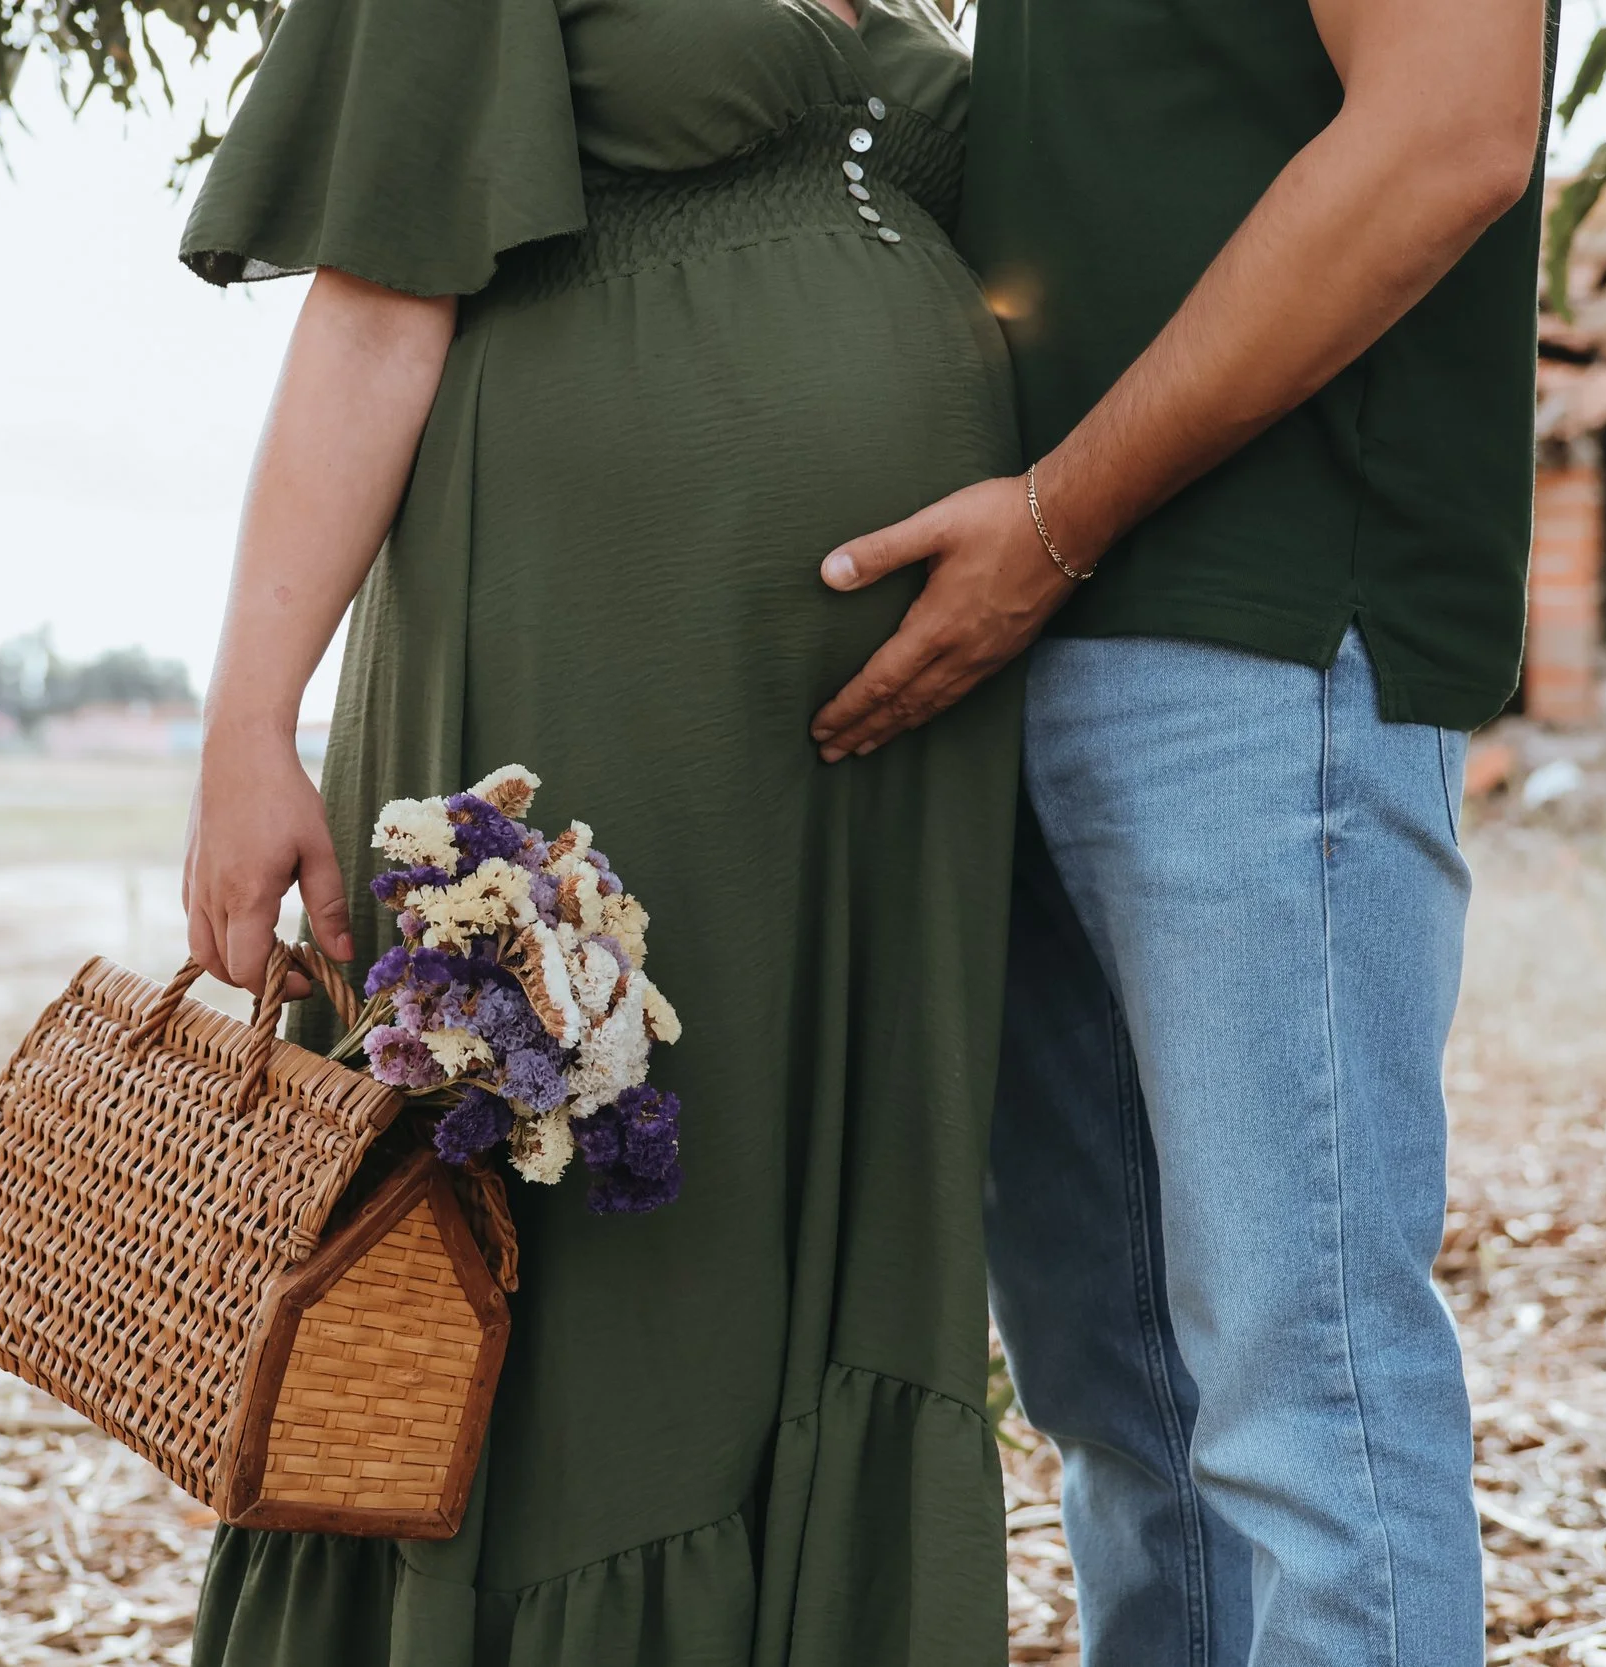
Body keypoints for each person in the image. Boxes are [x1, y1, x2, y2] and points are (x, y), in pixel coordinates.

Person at [172, 0, 1023, 1660]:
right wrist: (247, 724)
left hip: (885, 762)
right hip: (591, 675)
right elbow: (372, 306)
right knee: (598, 1250)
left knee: (815, 1217)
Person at [811, 0, 1555, 1660]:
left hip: (1263, 640)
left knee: (1310, 1410)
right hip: (1023, 638)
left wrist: (1056, 518)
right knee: (1123, 1408)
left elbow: (1452, 132)